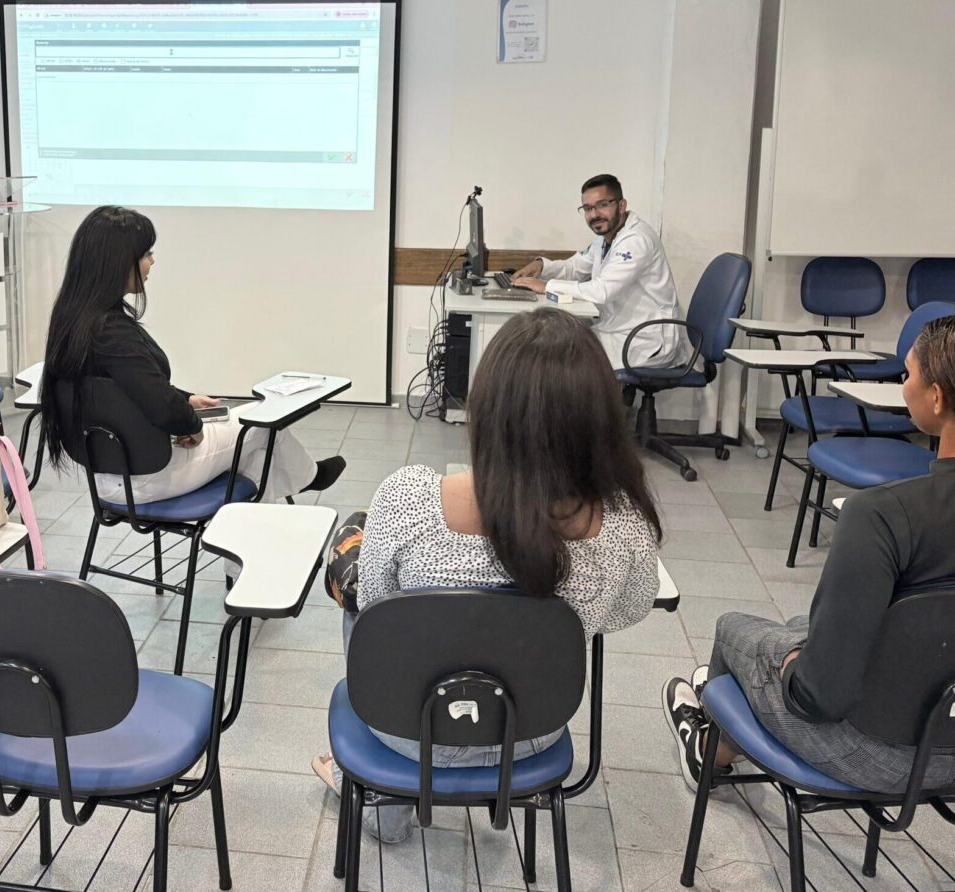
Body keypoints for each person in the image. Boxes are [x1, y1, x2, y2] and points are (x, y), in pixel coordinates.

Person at [662, 312, 955, 794]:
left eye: (909, 375)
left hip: (874, 755)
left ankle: (709, 753)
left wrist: (791, 662)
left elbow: (817, 698)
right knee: (802, 627)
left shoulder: (881, 515)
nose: (905, 385)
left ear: (938, 398)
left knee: (737, 631)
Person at [312, 307, 664, 841]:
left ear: (487, 408)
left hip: (405, 731)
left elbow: (379, 604)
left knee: (365, 605)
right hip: (531, 732)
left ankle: (381, 807)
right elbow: (630, 608)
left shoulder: (410, 499)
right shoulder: (624, 525)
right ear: (600, 418)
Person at [38, 205, 344, 502]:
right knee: (263, 423)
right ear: (118, 261)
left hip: (107, 476)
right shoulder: (112, 331)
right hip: (147, 475)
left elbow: (129, 386)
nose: (152, 262)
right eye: (146, 254)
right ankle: (309, 476)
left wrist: (185, 400)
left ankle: (258, 546)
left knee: (255, 462)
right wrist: (191, 425)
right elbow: (157, 402)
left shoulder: (73, 320)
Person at [512, 174, 690, 370]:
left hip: (644, 340)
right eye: (588, 208)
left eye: (602, 205)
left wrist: (546, 286)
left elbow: (602, 291)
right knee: (554, 338)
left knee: (559, 355)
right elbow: (575, 267)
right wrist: (542, 266)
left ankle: (583, 401)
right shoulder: (606, 238)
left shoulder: (636, 240)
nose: (594, 214)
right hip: (619, 329)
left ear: (621, 205)